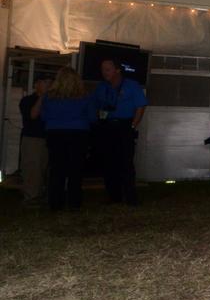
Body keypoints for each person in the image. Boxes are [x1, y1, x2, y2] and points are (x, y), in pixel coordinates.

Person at [91, 58, 147, 205]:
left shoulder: (131, 85)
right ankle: (113, 196)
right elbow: (95, 105)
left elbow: (141, 106)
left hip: (124, 126)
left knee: (126, 162)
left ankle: (130, 197)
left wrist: (133, 125)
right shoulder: (101, 87)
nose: (104, 73)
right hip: (107, 126)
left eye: (108, 69)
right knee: (108, 162)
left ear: (117, 70)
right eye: (103, 70)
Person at [38, 67, 94, 212]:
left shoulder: (49, 97)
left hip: (55, 133)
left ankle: (55, 203)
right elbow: (92, 117)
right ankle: (74, 202)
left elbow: (43, 117)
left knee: (57, 169)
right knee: (76, 169)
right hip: (78, 133)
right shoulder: (85, 96)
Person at [18, 73, 52, 205]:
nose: (48, 86)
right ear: (37, 84)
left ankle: (41, 195)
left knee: (44, 167)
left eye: (50, 83)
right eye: (45, 82)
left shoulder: (52, 101)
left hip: (48, 137)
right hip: (32, 138)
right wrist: (42, 97)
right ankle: (31, 197)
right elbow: (32, 115)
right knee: (32, 168)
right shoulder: (27, 100)